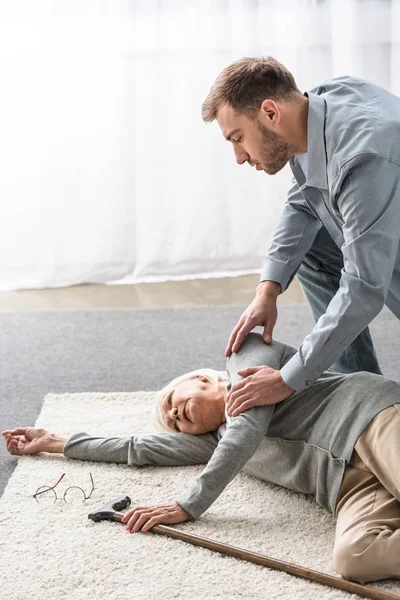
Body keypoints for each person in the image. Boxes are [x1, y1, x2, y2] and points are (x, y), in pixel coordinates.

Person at [3, 333, 400, 584]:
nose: (175, 416)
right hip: (347, 486)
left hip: (369, 418)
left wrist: (187, 504)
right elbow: (137, 449)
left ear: (203, 379)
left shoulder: (245, 355)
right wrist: (56, 441)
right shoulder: (216, 440)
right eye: (174, 423)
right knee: (355, 557)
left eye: (174, 402)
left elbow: (245, 429)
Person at [201, 56, 400, 416]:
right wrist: (268, 289)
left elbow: (364, 288)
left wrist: (287, 379)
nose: (238, 157)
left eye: (237, 138)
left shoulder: (362, 157)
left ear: (269, 112)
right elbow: (304, 201)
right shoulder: (318, 106)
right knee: (309, 246)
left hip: (385, 263)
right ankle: (363, 392)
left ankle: (373, 406)